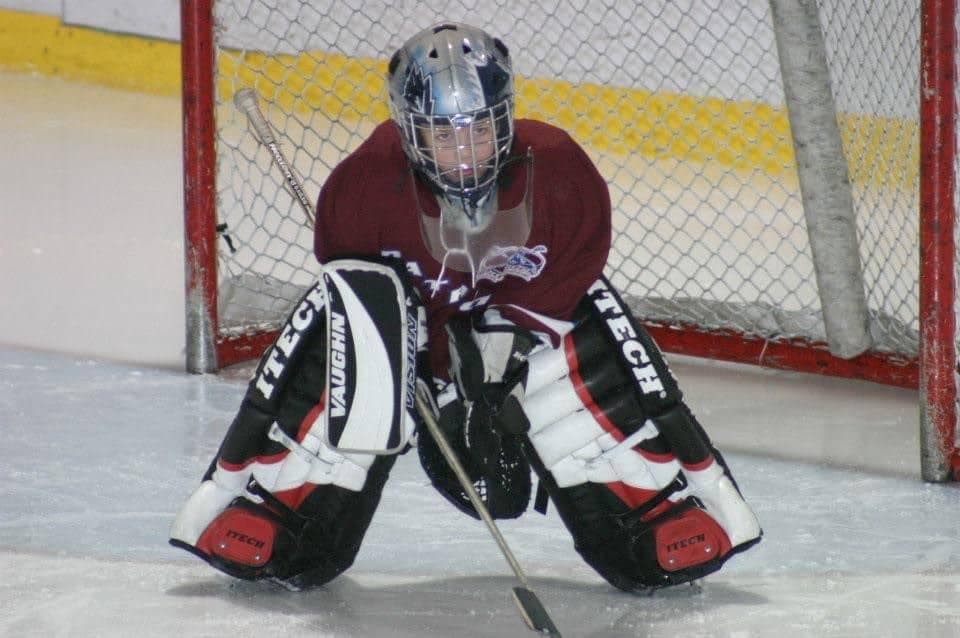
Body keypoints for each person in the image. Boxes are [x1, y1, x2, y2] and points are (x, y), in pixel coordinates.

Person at [170, 22, 761, 593]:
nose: (466, 153)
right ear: (411, 133)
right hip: (414, 357)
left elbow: (581, 286)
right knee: (353, 344)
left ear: (505, 118)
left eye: (480, 129)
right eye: (444, 135)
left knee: (588, 328)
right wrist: (423, 374)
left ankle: (652, 498)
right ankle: (278, 496)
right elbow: (346, 305)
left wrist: (496, 367)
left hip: (520, 353)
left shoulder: (558, 173)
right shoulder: (364, 188)